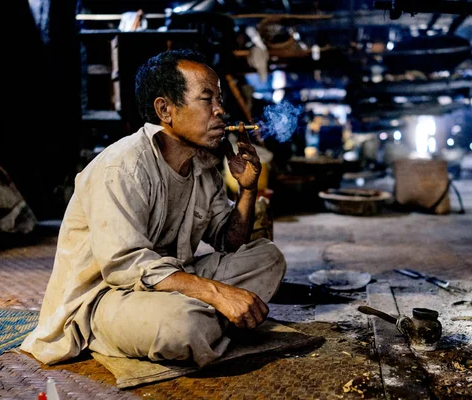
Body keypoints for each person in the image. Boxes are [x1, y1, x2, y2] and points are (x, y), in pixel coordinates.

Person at [21, 49, 287, 367]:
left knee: (268, 258)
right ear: (165, 109)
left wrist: (247, 189)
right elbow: (124, 266)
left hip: (173, 281)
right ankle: (200, 323)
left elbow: (230, 243)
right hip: (106, 297)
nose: (220, 112)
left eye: (219, 101)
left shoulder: (203, 167)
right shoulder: (123, 166)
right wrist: (217, 294)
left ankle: (206, 323)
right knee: (184, 325)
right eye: (207, 100)